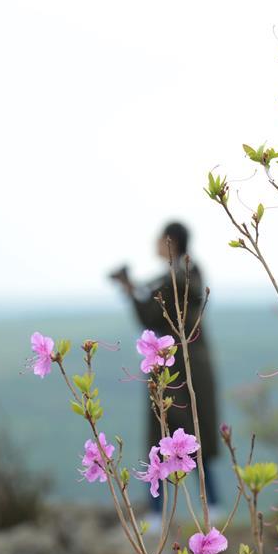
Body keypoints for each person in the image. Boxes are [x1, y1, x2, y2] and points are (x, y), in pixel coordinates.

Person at [110, 222, 220, 526]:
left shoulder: (185, 276)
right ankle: (165, 512)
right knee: (171, 441)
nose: (154, 245)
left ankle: (206, 510)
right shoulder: (179, 275)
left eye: (159, 240)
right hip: (173, 368)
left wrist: (133, 292)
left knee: (188, 441)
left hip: (184, 368)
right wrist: (134, 289)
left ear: (170, 242)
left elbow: (152, 314)